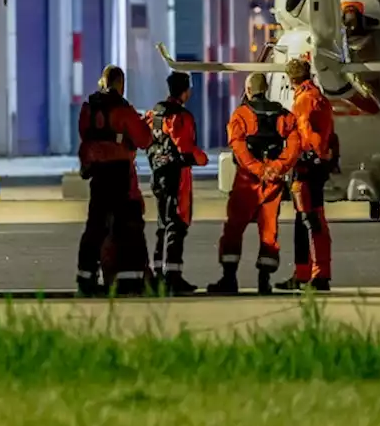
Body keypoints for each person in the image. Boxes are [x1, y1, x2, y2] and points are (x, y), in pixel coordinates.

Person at [207, 72, 295, 295]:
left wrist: (257, 169)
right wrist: (277, 168)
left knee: (234, 228)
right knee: (269, 231)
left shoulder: (241, 114)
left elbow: (238, 146)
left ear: (248, 90)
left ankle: (229, 279)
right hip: (273, 180)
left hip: (247, 180)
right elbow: (295, 144)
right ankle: (264, 281)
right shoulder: (283, 114)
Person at [76, 64, 155, 296]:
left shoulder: (88, 109)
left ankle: (86, 279)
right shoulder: (123, 110)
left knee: (95, 227)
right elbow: (144, 139)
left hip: (98, 174)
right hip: (119, 174)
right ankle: (130, 281)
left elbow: (85, 135)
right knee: (127, 228)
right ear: (120, 83)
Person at [144, 71, 209, 294]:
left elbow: (145, 139)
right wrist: (202, 158)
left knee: (163, 225)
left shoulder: (155, 113)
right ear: (185, 90)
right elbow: (185, 148)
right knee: (177, 225)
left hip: (158, 174)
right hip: (177, 177)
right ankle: (173, 277)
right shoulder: (181, 117)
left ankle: (160, 273)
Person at [274, 58, 336, 292]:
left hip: (306, 168)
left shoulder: (303, 100)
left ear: (291, 79)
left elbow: (305, 135)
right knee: (309, 220)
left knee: (310, 221)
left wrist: (288, 162)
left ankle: (316, 275)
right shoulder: (319, 97)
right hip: (317, 166)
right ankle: (308, 272)